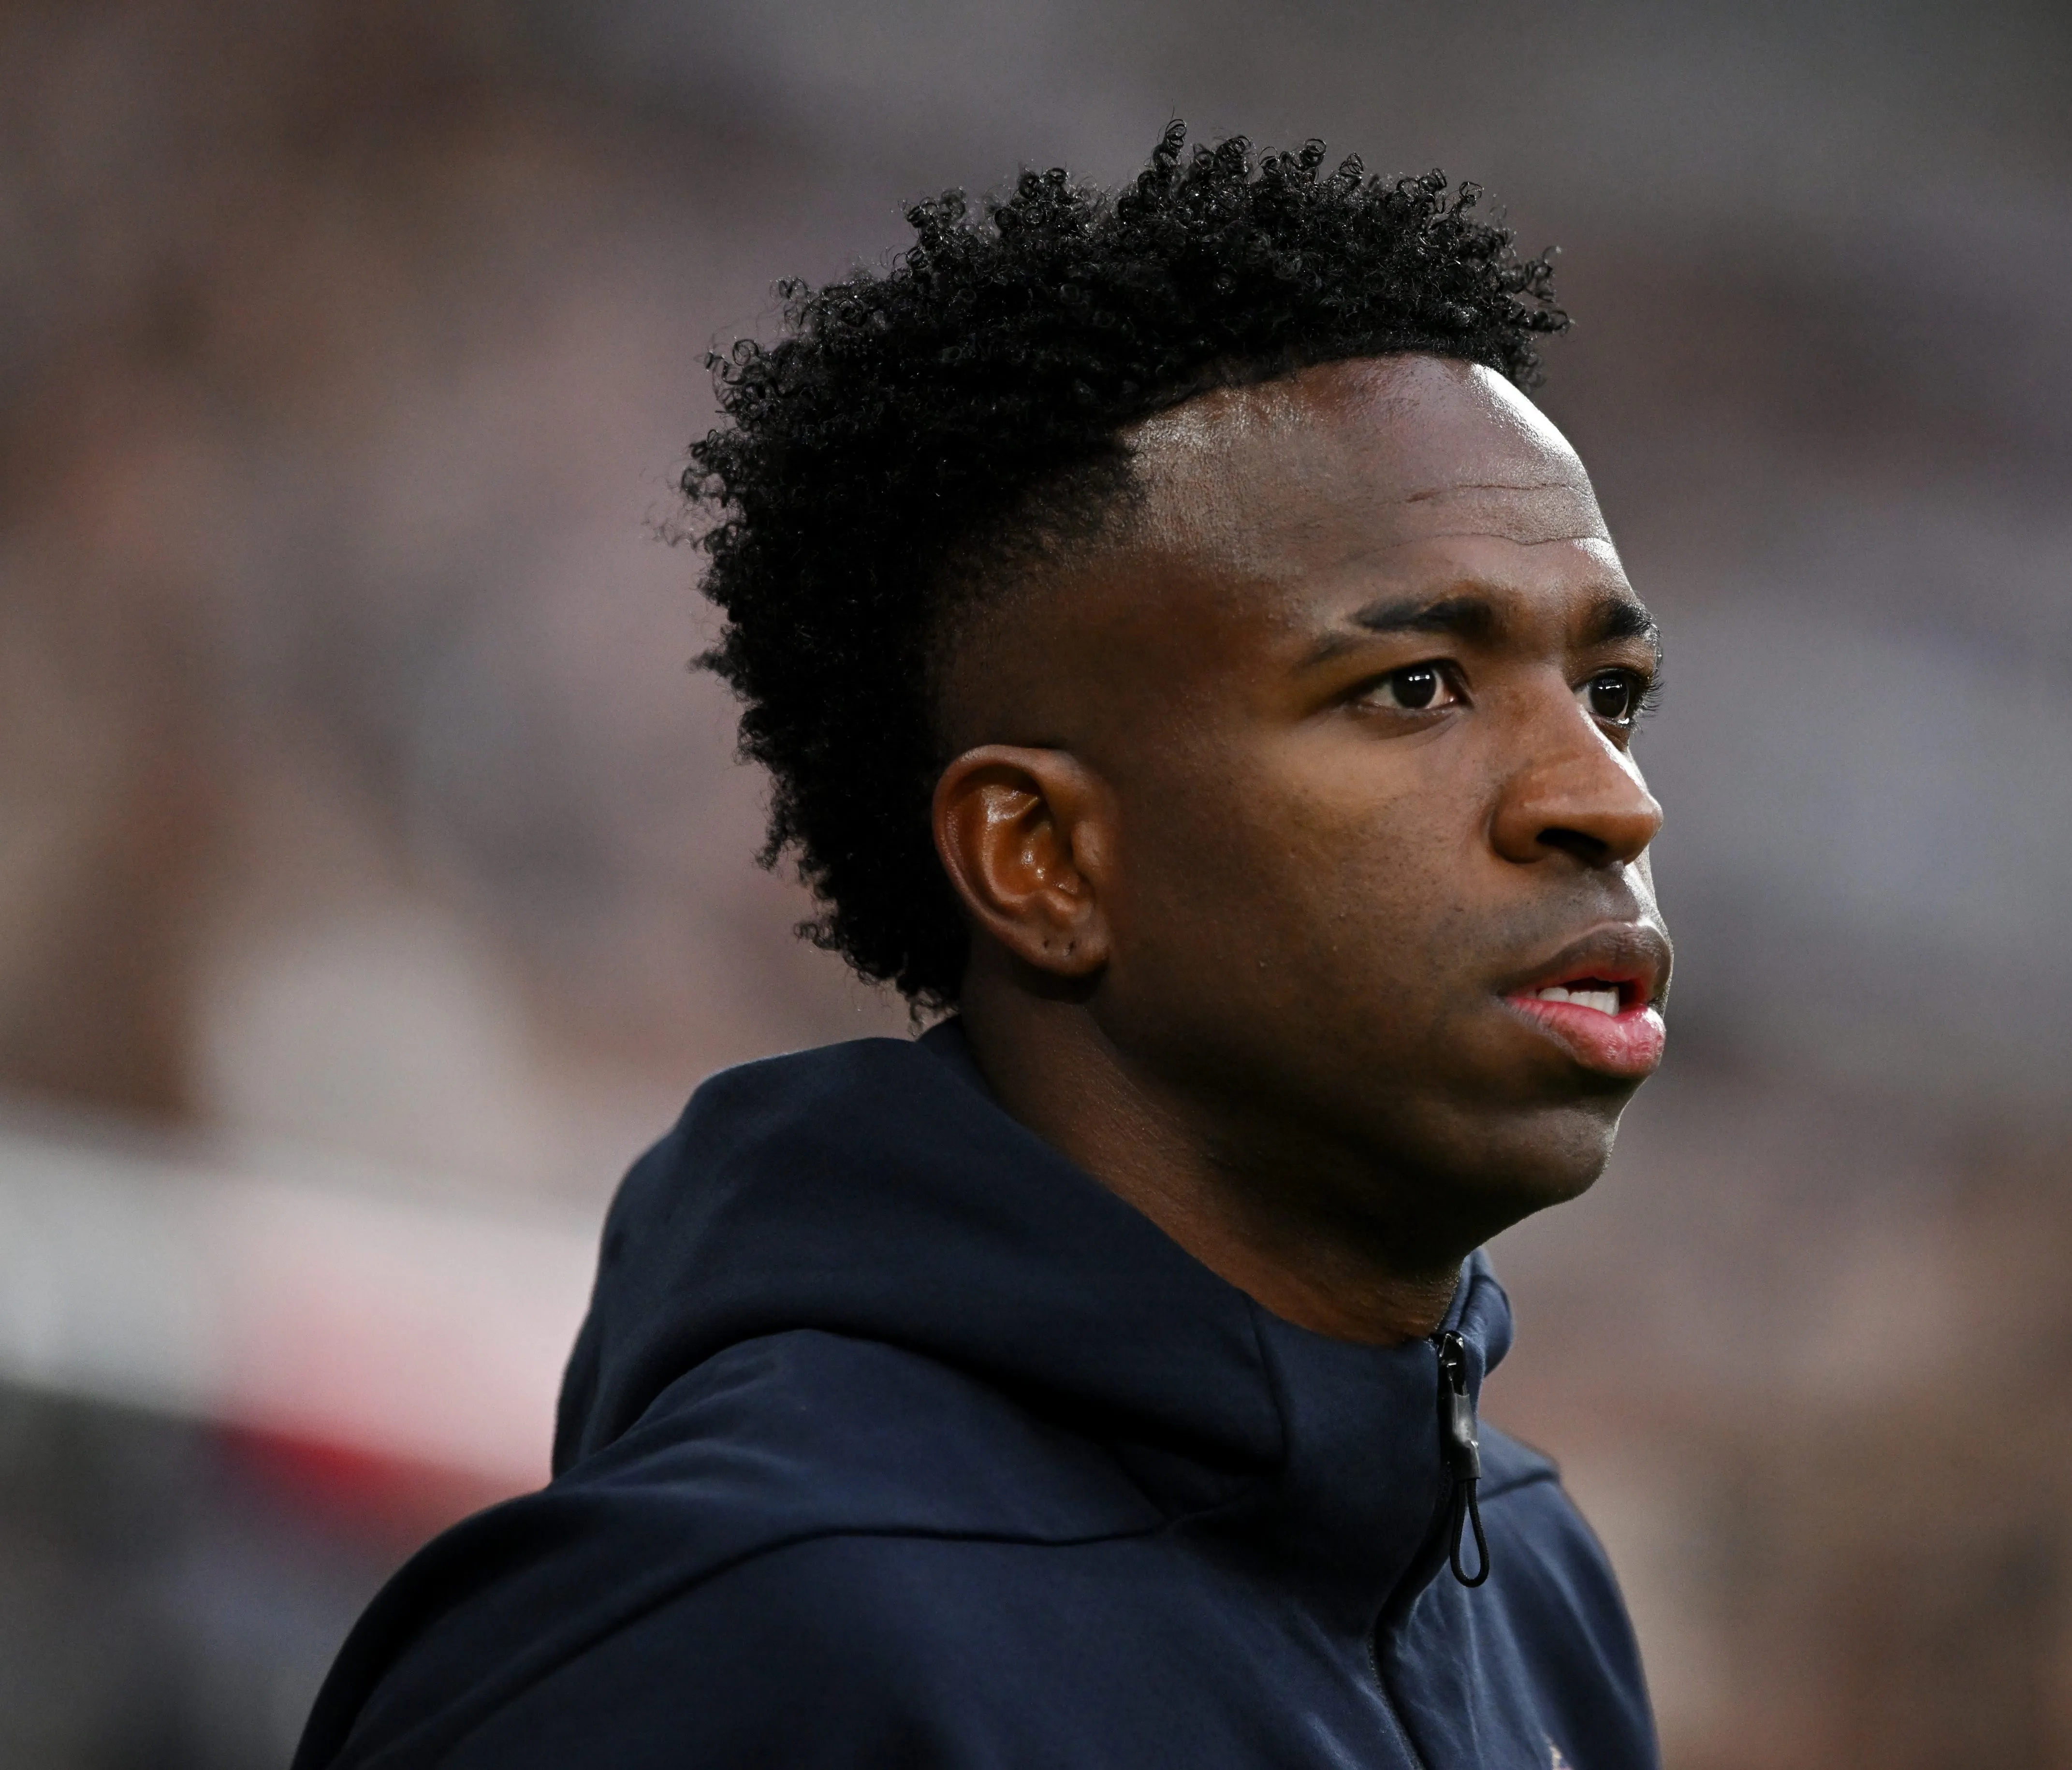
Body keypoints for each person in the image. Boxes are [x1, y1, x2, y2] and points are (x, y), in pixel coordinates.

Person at [294, 124, 1672, 1770]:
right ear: (1042, 858)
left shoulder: (1530, 1580)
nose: (1605, 799)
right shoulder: (712, 1634)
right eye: (1416, 686)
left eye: (1611, 693)